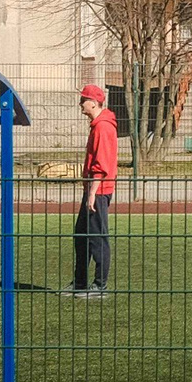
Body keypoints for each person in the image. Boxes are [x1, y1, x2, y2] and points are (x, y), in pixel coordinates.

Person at [70, 82, 118, 297]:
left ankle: (100, 285)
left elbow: (101, 164)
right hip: (93, 189)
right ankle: (80, 282)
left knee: (97, 236)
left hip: (98, 190)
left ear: (93, 103)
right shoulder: (98, 125)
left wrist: (92, 193)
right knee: (81, 234)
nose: (80, 104)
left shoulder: (103, 127)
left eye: (83, 100)